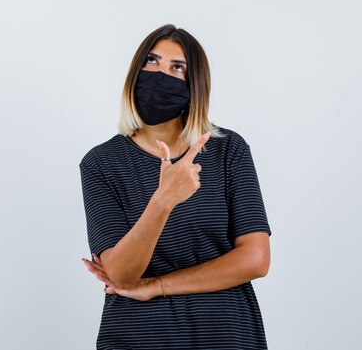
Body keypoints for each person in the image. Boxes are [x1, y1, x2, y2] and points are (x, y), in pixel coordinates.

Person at [79, 24, 272, 350]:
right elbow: (121, 274)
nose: (160, 74)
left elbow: (256, 259)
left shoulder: (228, 150)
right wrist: (163, 200)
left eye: (176, 67)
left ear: (195, 84)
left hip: (224, 335)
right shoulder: (101, 163)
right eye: (151, 62)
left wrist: (158, 285)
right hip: (138, 337)